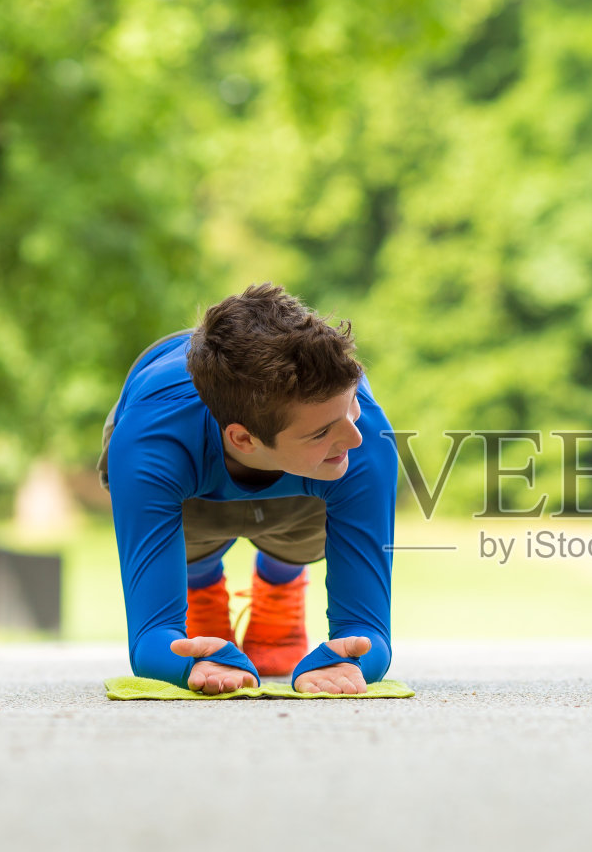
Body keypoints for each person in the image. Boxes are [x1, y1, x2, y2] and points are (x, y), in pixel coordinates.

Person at [99, 283, 396, 696]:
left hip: (296, 485)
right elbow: (150, 640)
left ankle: (281, 580)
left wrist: (352, 658)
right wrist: (189, 661)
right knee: (177, 525)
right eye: (322, 431)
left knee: (340, 478)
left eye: (351, 405)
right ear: (242, 439)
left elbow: (369, 631)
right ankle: (200, 583)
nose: (355, 436)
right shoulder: (150, 445)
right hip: (185, 474)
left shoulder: (366, 435)